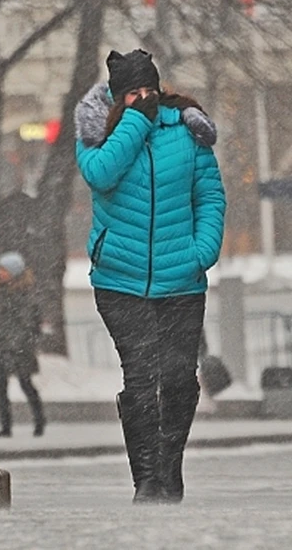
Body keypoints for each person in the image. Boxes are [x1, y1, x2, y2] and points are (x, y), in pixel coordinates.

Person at [75, 49, 226, 504]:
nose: (143, 99)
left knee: (179, 377)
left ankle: (169, 468)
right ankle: (146, 479)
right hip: (120, 282)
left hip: (181, 279)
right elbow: (101, 175)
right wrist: (136, 122)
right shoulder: (98, 132)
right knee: (141, 376)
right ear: (117, 97)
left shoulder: (186, 130)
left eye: (149, 92)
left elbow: (211, 196)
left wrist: (201, 252)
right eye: (132, 94)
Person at [0, 252, 46, 438]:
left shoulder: (25, 296)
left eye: (3, 269)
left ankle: (39, 421)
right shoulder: (0, 294)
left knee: (25, 384)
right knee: (2, 387)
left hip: (20, 347)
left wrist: (17, 343)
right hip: (3, 346)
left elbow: (28, 324)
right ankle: (6, 426)